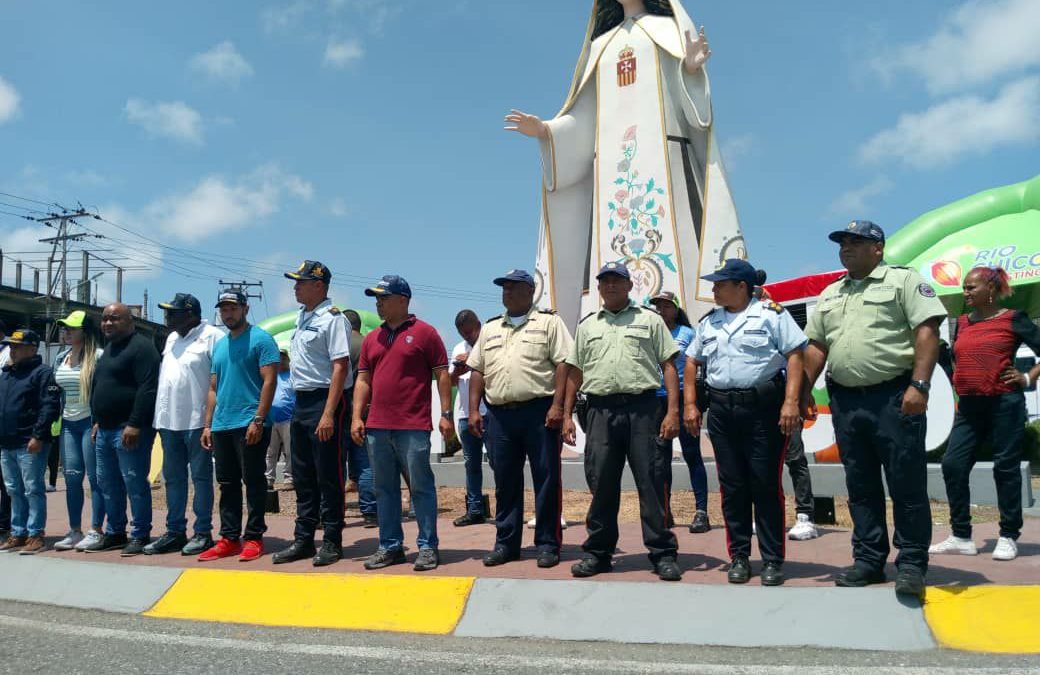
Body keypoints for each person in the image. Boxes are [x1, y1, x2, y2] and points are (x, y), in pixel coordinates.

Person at [507, 0, 744, 329]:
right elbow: (583, 116)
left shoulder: (668, 31)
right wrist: (547, 131)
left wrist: (690, 71)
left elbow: (695, 112)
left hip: (666, 155)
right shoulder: (600, 47)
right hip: (610, 172)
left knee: (679, 250)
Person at [803, 220, 947, 597]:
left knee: (905, 483)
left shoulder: (903, 282)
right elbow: (817, 346)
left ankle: (912, 563)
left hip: (895, 397)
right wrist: (801, 390)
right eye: (842, 243)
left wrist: (920, 385)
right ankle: (868, 560)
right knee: (860, 485)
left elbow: (927, 331)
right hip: (847, 402)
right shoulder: (832, 293)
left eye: (855, 242)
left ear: (878, 248)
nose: (845, 248)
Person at [684, 260, 807, 586]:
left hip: (763, 409)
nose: (713, 289)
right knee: (732, 486)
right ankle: (739, 556)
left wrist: (791, 402)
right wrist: (690, 403)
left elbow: (795, 355)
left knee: (765, 485)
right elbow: (691, 359)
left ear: (741, 286)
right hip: (723, 412)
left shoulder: (771, 315)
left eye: (720, 283)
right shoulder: (709, 322)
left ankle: (771, 560)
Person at [562, 262, 682, 581]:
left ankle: (662, 552)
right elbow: (574, 372)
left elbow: (669, 365)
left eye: (617, 281)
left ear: (630, 287)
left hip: (643, 409)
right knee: (600, 483)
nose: (611, 286)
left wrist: (672, 411)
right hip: (600, 412)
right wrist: (566, 415)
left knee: (652, 482)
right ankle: (599, 553)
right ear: (599, 288)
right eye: (605, 282)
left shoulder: (650, 320)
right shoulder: (588, 326)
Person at [930, 266, 1040, 562]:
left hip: (1005, 404)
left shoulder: (1013, 319)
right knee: (953, 465)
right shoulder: (963, 322)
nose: (965, 293)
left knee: (1005, 469)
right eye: (964, 288)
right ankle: (961, 536)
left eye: (971, 288)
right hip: (969, 406)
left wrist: (1028, 378)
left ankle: (1008, 536)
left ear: (990, 289)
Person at [466, 270, 573, 568]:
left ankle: (548, 544)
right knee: (505, 481)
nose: (507, 293)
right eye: (504, 288)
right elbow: (477, 370)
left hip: (539, 412)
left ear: (530, 291)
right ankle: (506, 543)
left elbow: (564, 364)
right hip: (499, 415)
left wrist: (558, 406)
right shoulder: (490, 328)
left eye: (513, 288)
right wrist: (474, 410)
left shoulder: (549, 322)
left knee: (547, 478)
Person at [352, 275, 452, 572]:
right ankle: (390, 546)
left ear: (403, 300)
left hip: (413, 425)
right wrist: (358, 416)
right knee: (384, 489)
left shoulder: (426, 333)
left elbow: (442, 374)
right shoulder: (372, 338)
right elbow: (363, 379)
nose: (378, 303)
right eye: (376, 298)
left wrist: (446, 414)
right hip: (378, 427)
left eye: (383, 297)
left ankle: (427, 547)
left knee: (421, 487)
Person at [272, 261, 351, 567]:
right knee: (303, 475)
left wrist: (329, 413)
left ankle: (332, 540)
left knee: (328, 474)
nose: (295, 286)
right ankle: (304, 539)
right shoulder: (302, 318)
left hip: (324, 401)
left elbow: (340, 366)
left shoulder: (334, 319)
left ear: (319, 286)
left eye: (300, 282)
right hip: (300, 402)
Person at [199, 290, 279, 562]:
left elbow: (270, 381)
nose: (227, 313)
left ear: (244, 308)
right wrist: (208, 424)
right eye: (223, 308)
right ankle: (230, 537)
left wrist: (259, 419)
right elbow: (213, 387)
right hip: (222, 425)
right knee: (227, 483)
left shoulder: (261, 339)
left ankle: (254, 537)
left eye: (232, 308)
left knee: (254, 481)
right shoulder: (220, 345)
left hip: (250, 423)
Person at [146, 293, 223, 556]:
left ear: (190, 314)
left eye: (172, 312)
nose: (167, 317)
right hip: (169, 421)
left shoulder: (213, 336)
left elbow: (219, 380)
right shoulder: (170, 338)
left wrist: (210, 422)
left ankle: (203, 532)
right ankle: (175, 531)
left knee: (201, 479)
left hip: (197, 421)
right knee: (173, 479)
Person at [84, 303, 160, 556]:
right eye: (104, 319)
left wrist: (135, 423)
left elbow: (147, 388)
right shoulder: (109, 350)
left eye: (114, 319)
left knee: (134, 483)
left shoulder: (142, 348)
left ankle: (140, 533)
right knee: (108, 483)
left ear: (130, 321)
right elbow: (102, 386)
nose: (107, 323)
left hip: (129, 430)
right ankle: (116, 532)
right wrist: (97, 420)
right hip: (104, 429)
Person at [754, 270, 818, 542]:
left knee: (794, 456)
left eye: (757, 287)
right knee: (761, 461)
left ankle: (805, 515)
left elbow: (798, 354)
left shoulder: (776, 314)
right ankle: (766, 515)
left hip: (784, 396)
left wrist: (803, 394)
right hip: (756, 401)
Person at [648, 291, 709, 534]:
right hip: (657, 399)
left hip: (684, 397)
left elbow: (699, 361)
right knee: (660, 459)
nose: (662, 310)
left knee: (692, 453)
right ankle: (664, 509)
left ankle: (701, 511)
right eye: (658, 307)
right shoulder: (651, 332)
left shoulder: (687, 333)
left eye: (666, 306)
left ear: (675, 309)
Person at [0, 329, 61, 554]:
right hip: (7, 443)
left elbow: (50, 406)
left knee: (32, 489)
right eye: (11, 346)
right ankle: (18, 532)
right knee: (13, 489)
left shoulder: (42, 373)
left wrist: (38, 435)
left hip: (30, 442)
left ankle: (35, 534)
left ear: (32, 348)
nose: (12, 350)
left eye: (17, 346)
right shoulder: (7, 374)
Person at [50, 311, 106, 552]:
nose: (66, 331)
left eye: (72, 328)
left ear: (85, 330)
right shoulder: (61, 357)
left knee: (95, 479)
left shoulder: (99, 357)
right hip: (68, 424)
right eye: (65, 328)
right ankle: (75, 530)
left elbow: (105, 392)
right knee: (72, 477)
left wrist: (100, 420)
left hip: (89, 421)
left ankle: (96, 530)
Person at [449, 309, 490, 527]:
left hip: (490, 414)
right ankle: (474, 509)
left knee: (500, 463)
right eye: (463, 333)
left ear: (479, 325)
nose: (467, 337)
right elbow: (452, 380)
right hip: (466, 415)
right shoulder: (458, 349)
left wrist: (473, 361)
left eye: (470, 332)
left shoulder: (490, 343)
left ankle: (507, 508)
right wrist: (458, 368)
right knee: (471, 464)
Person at [341, 309, 376, 526]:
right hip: (364, 410)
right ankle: (370, 511)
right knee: (365, 462)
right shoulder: (367, 343)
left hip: (340, 409)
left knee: (337, 464)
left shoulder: (337, 345)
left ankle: (336, 512)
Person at [265, 348, 295, 489]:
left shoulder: (293, 376)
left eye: (284, 358)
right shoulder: (270, 376)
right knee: (271, 451)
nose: (281, 360)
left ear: (288, 360)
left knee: (289, 451)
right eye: (279, 358)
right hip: (271, 419)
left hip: (288, 419)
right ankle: (268, 478)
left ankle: (289, 478)